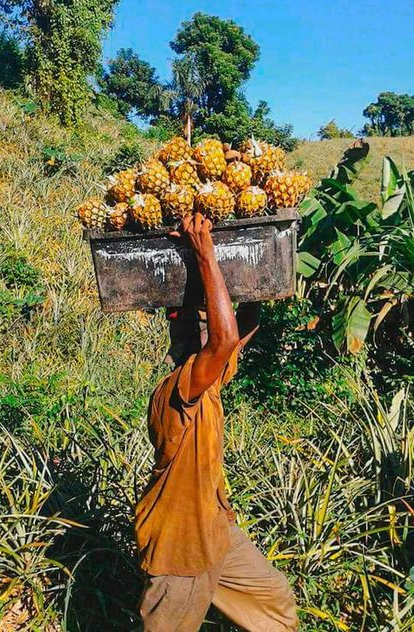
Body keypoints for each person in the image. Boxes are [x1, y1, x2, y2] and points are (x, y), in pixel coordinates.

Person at [135, 213, 298, 632]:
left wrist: (261, 269)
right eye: (190, 322)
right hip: (182, 547)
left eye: (203, 318)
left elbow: (237, 333)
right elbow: (224, 342)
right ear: (179, 340)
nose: (200, 327)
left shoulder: (209, 383)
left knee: (274, 601)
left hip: (215, 531)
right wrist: (205, 251)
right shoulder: (179, 391)